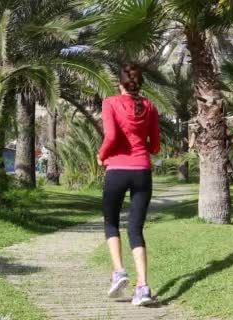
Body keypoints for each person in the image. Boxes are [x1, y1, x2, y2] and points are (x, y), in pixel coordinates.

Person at [97, 63, 161, 306]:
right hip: (142, 171)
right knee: (135, 229)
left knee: (111, 222)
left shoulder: (111, 103)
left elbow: (111, 137)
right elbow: (155, 145)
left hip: (117, 171)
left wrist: (102, 155)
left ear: (120, 83)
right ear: (139, 84)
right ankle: (143, 287)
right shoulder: (150, 107)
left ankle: (119, 272)